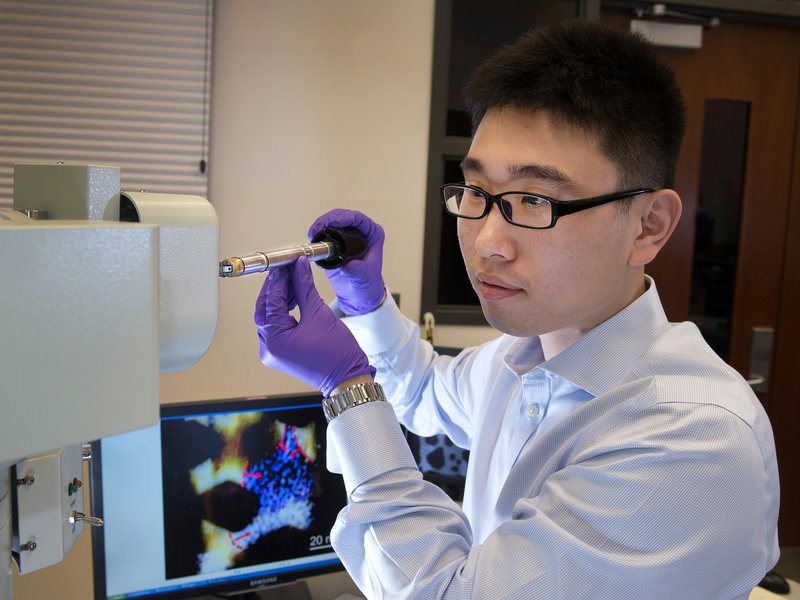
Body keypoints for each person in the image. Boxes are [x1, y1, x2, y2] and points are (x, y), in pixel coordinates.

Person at [254, 20, 780, 600]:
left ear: (648, 226)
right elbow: (425, 391)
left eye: (534, 199)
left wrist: (348, 388)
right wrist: (366, 303)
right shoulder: (522, 356)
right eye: (476, 193)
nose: (487, 242)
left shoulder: (691, 437)